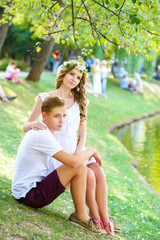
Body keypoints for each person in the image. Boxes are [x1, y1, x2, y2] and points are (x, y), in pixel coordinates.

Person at [23, 60, 117, 235]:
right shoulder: (45, 97)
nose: (74, 79)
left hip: (74, 150)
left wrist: (78, 151)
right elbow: (26, 125)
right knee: (87, 173)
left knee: (97, 169)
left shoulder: (80, 101)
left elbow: (82, 133)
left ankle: (104, 217)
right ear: (64, 73)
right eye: (72, 74)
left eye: (78, 77)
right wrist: (34, 125)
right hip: (55, 153)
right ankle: (93, 218)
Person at [12, 96, 104, 234]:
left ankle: (89, 215)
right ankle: (82, 216)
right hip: (29, 195)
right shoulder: (42, 135)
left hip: (28, 190)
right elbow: (73, 162)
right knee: (78, 166)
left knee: (79, 166)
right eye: (56, 116)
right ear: (44, 115)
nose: (62, 120)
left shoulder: (44, 132)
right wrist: (91, 150)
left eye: (64, 115)